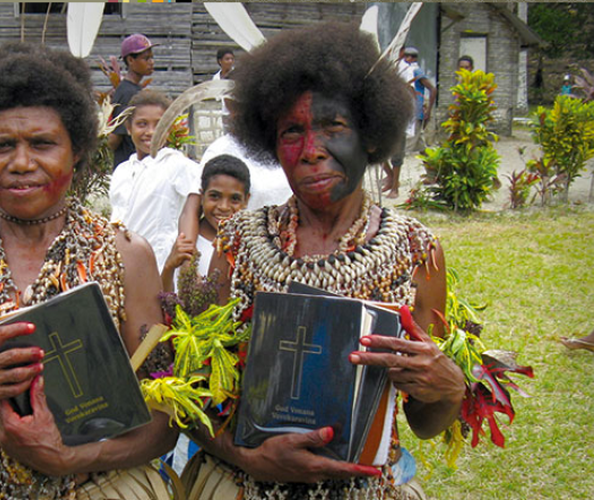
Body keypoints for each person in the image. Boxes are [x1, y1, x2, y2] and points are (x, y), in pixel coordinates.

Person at [182, 24, 465, 500]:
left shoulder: (417, 252)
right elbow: (188, 395)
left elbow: (423, 422)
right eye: (293, 131)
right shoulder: (236, 243)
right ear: (271, 145)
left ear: (371, 137)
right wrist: (249, 458)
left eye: (333, 126)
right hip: (244, 486)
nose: (312, 150)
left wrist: (449, 388)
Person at [0, 42, 177, 499]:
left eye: (43, 143)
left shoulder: (127, 255)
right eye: (2, 145)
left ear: (77, 150)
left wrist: (72, 458)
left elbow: (165, 425)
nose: (22, 163)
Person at [108, 90, 202, 273]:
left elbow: (193, 210)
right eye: (142, 124)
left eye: (159, 125)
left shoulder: (179, 165)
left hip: (161, 266)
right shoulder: (122, 171)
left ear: (169, 128)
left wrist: (187, 265)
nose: (150, 132)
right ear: (128, 128)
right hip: (122, 266)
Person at [161, 154, 250, 292]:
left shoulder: (249, 246)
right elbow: (164, 298)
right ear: (201, 196)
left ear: (246, 200)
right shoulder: (180, 243)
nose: (224, 207)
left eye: (234, 199)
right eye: (214, 196)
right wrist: (169, 267)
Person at [109, 34, 156, 170]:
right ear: (130, 60)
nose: (151, 62)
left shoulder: (132, 89)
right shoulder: (128, 93)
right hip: (131, 167)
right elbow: (115, 138)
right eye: (146, 58)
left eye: (152, 57)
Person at [382, 46, 416, 199]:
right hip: (385, 113)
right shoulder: (385, 68)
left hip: (400, 114)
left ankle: (395, 187)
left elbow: (410, 90)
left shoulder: (407, 70)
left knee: (397, 153)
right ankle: (390, 177)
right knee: (378, 151)